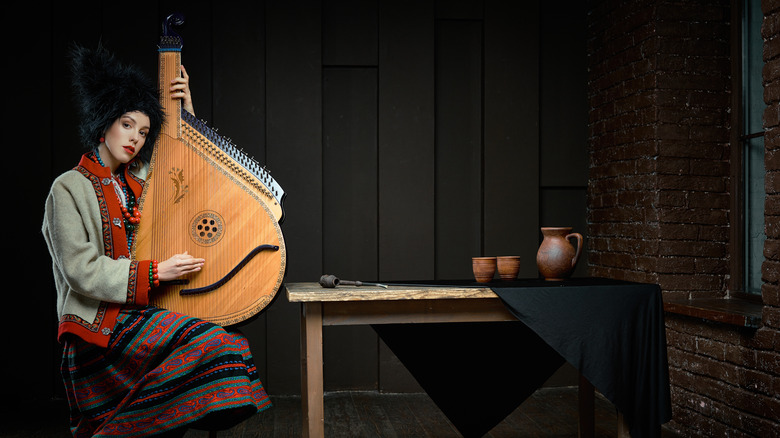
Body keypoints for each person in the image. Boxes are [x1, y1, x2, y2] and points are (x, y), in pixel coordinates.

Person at [42, 44, 271, 437]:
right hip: (97, 334)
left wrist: (186, 111)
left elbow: (185, 166)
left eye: (144, 131)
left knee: (230, 340)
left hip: (137, 318)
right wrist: (157, 271)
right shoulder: (68, 188)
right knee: (212, 344)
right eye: (127, 124)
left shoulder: (141, 183)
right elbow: (81, 270)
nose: (135, 138)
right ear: (105, 122)